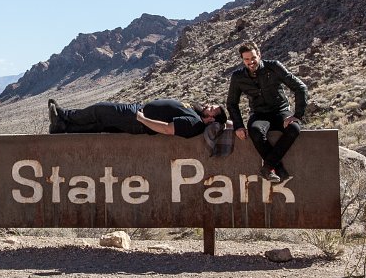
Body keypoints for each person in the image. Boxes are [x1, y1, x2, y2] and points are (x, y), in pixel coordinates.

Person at [226, 40, 309, 183]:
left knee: (294, 128)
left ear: (259, 55)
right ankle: (278, 169)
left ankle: (268, 167)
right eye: (246, 59)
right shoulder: (238, 77)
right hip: (259, 114)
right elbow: (232, 103)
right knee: (255, 131)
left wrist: (297, 115)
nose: (251, 62)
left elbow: (300, 87)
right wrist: (238, 125)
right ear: (242, 60)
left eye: (253, 58)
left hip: (280, 111)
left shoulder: (274, 67)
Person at [48, 98, 226, 138]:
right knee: (101, 125)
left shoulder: (194, 123)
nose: (210, 106)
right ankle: (62, 128)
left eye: (213, 109)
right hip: (139, 113)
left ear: (211, 120)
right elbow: (226, 122)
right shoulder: (196, 114)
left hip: (138, 119)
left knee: (100, 111)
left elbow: (167, 129)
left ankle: (64, 115)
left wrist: (142, 119)